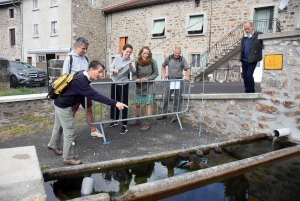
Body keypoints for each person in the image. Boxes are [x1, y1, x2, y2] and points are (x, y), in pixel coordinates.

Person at [47, 60, 127, 165]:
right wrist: (115, 103)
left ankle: (53, 145)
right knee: (69, 132)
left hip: (59, 103)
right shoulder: (81, 81)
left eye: (102, 72)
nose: (101, 75)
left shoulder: (81, 74)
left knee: (59, 127)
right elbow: (96, 96)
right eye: (99, 72)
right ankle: (68, 157)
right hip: (64, 106)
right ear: (91, 70)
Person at [63, 37, 103, 138]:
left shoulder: (86, 58)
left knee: (89, 109)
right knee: (72, 112)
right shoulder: (69, 59)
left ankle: (93, 130)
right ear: (77, 46)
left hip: (85, 89)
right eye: (83, 49)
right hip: (74, 92)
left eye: (86, 49)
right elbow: (64, 76)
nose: (85, 51)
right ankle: (68, 135)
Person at [157, 46, 190, 120]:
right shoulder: (169, 58)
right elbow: (163, 66)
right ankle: (164, 113)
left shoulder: (182, 59)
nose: (177, 54)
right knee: (166, 97)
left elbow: (188, 68)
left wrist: (187, 76)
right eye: (176, 53)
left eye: (178, 53)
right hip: (170, 80)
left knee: (177, 98)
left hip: (178, 80)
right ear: (173, 52)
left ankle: (175, 115)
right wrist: (165, 73)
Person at [130, 46, 159, 131]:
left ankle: (147, 123)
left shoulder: (152, 61)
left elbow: (156, 73)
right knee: (137, 104)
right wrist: (136, 79)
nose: (146, 55)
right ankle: (137, 120)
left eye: (147, 53)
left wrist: (148, 78)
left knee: (148, 104)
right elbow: (134, 73)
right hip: (139, 85)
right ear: (141, 53)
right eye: (144, 53)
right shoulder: (137, 62)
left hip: (149, 86)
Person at [109, 44, 136, 134]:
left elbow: (134, 71)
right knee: (114, 101)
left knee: (123, 103)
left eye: (130, 52)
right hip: (114, 82)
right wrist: (114, 70)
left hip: (124, 83)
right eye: (127, 51)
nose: (128, 54)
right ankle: (114, 120)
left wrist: (131, 66)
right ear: (123, 50)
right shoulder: (117, 58)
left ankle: (124, 125)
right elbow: (110, 68)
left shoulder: (131, 61)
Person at [240, 21, 263, 93]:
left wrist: (254, 33)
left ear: (252, 27)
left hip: (252, 59)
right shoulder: (244, 37)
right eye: (245, 29)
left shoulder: (257, 35)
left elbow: (263, 35)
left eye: (248, 28)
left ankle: (252, 91)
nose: (247, 30)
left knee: (249, 75)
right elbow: (243, 47)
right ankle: (247, 90)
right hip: (244, 59)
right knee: (244, 76)